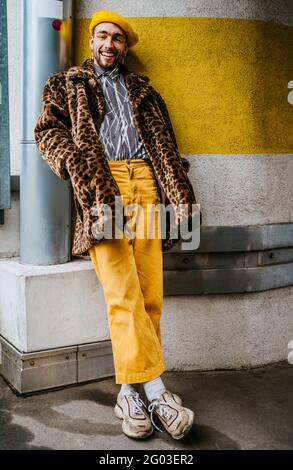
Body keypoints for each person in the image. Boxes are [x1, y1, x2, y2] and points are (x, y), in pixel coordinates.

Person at [35, 10, 198, 440]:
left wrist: (178, 191)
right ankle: (159, 391)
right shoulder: (66, 85)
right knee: (121, 292)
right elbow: (47, 131)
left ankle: (130, 391)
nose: (109, 44)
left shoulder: (145, 90)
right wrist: (74, 162)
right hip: (102, 189)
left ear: (126, 47)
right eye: (103, 36)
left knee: (150, 294)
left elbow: (166, 145)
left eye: (118, 39)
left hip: (145, 182)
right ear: (91, 41)